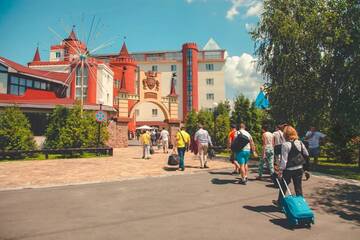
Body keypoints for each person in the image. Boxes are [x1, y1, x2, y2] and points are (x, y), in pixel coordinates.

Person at [273, 125, 309, 207]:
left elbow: (284, 160)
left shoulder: (285, 145)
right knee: (298, 187)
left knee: (283, 186)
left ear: (285, 135)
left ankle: (280, 202)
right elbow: (306, 154)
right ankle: (301, 204)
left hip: (289, 170)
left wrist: (280, 170)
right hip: (299, 168)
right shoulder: (299, 142)